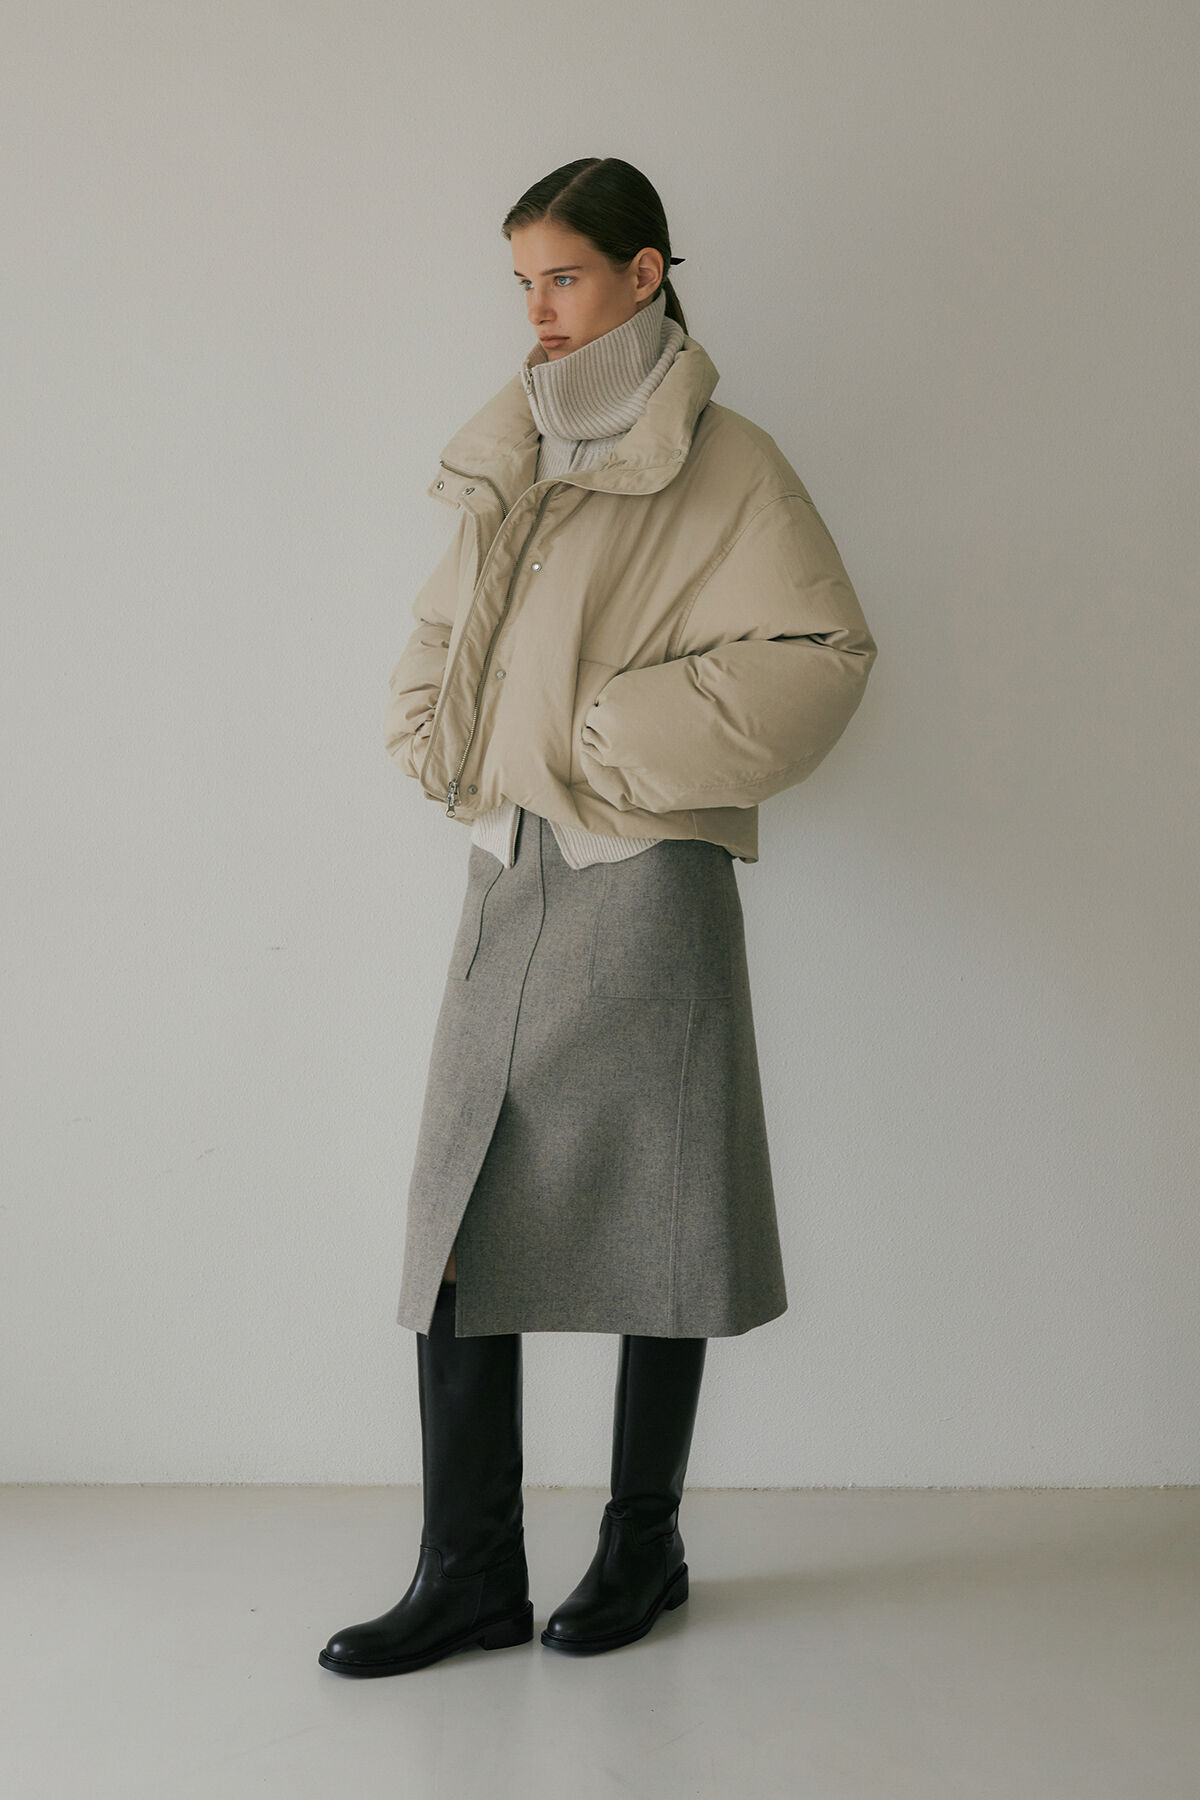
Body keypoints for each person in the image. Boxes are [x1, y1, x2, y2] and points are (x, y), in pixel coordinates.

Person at [319, 156, 877, 1677]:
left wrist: (605, 740)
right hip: (507, 865)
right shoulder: (519, 448)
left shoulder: (731, 461)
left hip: (644, 874)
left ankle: (644, 1547)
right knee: (454, 1223)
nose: (538, 312)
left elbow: (823, 652)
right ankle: (469, 1572)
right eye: (522, 283)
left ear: (645, 274)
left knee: (659, 1212)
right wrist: (437, 731)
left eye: (562, 276)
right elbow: (444, 626)